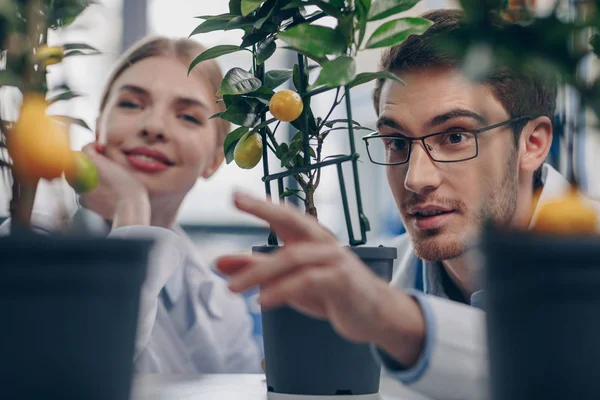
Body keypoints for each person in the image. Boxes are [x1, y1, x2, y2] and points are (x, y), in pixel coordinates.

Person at [215, 8, 600, 400]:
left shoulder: (379, 304)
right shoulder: (380, 282)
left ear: (532, 143)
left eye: (454, 137)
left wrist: (399, 323)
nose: (416, 178)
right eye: (397, 142)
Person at [1, 36, 261, 374]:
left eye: (188, 117)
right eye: (131, 104)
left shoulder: (223, 304)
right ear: (98, 128)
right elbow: (84, 373)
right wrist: (131, 207)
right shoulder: (27, 248)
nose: (153, 127)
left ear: (215, 159)